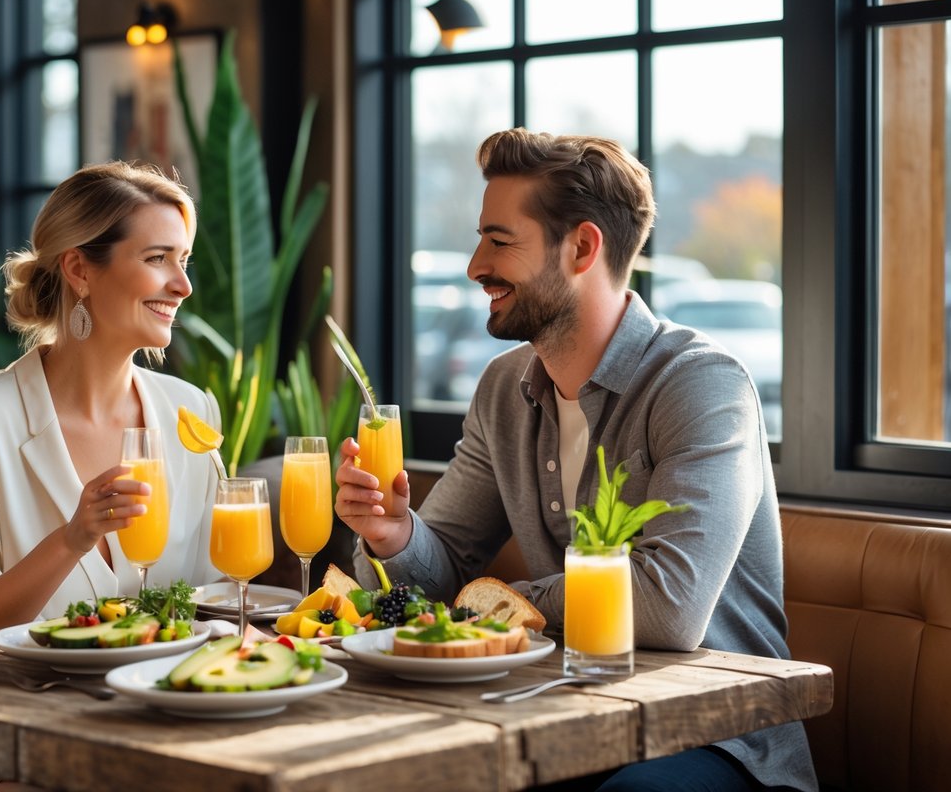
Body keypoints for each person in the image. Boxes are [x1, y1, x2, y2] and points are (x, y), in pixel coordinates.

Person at [334, 128, 817, 792]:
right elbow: (433, 572)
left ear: (582, 247)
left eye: (499, 240)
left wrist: (503, 604)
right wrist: (395, 537)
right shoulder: (504, 388)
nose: (475, 265)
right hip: (562, 719)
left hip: (715, 740)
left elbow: (667, 608)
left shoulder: (701, 384)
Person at [0, 161, 220, 792]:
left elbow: (209, 604)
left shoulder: (192, 414)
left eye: (183, 259)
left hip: (162, 735)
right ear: (80, 270)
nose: (183, 285)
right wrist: (71, 537)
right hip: (10, 746)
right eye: (159, 258)